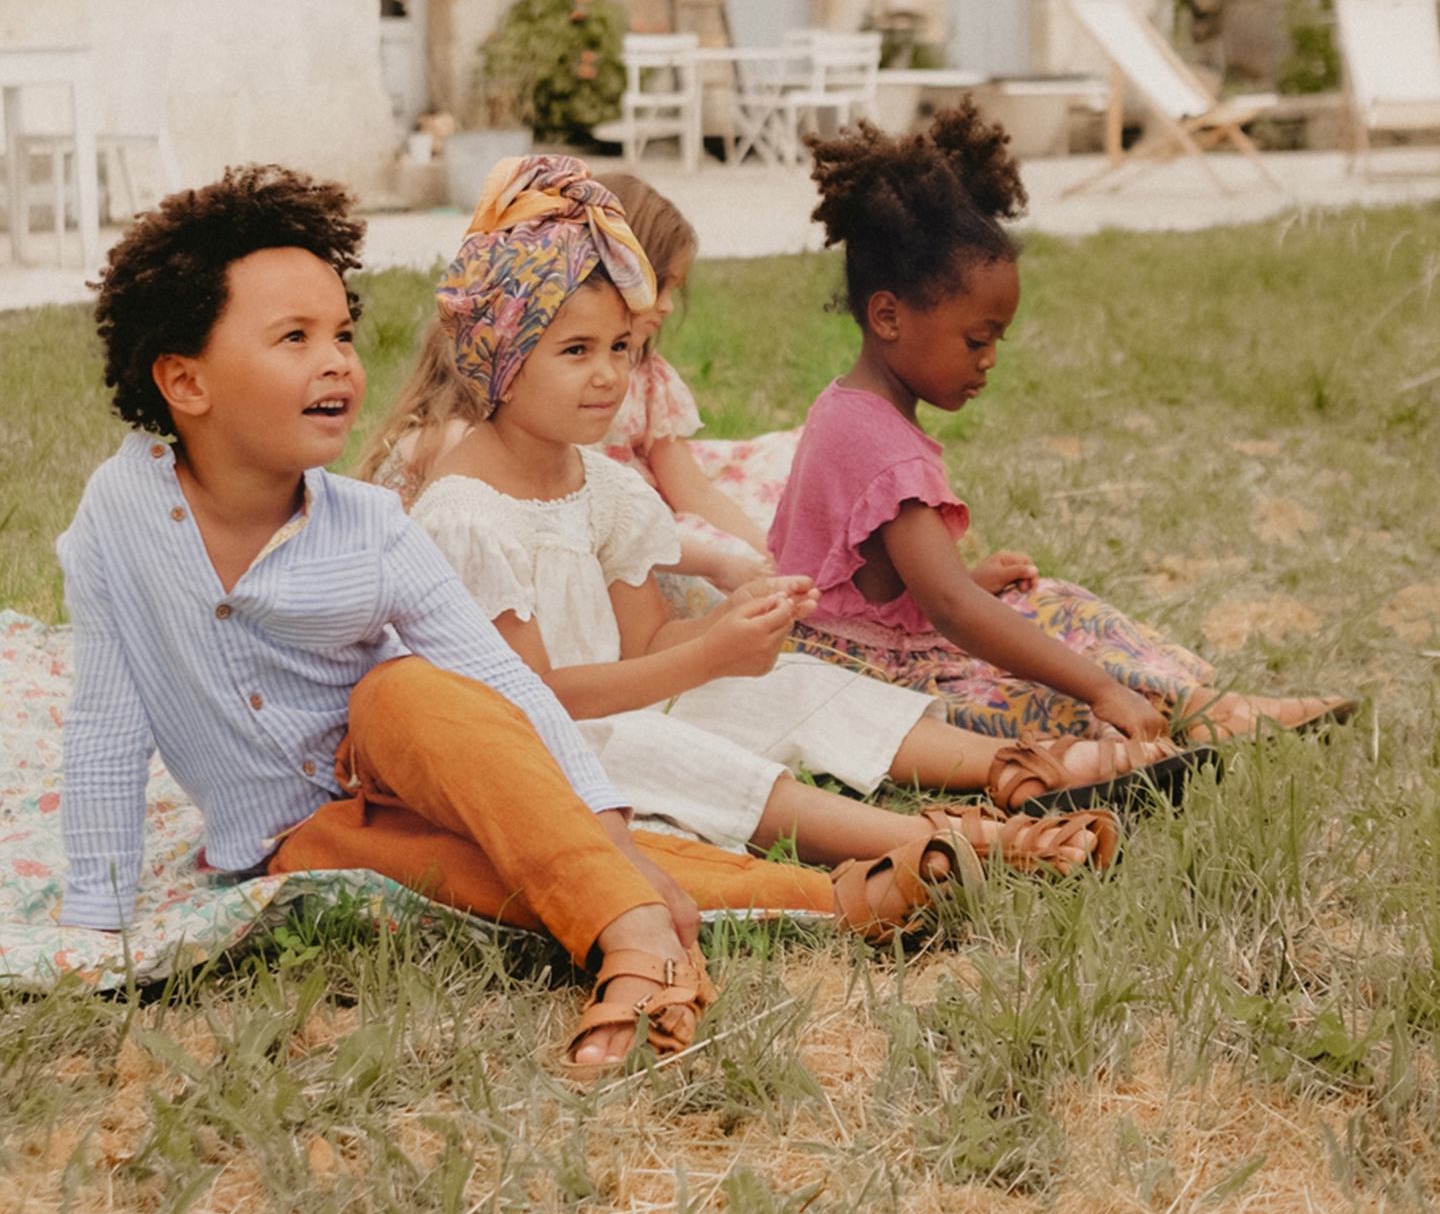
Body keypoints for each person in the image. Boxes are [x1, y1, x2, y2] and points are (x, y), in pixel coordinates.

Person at [57, 164, 790, 1077]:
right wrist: (98, 911)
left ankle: (635, 935)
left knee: (398, 692)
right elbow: (105, 724)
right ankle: (840, 898)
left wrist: (601, 831)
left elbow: (503, 682)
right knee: (513, 871)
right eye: (295, 338)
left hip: (430, 757)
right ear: (185, 382)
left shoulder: (371, 526)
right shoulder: (118, 517)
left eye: (343, 334)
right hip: (304, 834)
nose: (338, 362)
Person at [362, 154, 1184, 880]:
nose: (610, 376)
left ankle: (1031, 767)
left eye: (622, 348)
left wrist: (732, 630)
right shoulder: (468, 515)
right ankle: (950, 840)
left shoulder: (603, 491)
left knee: (793, 683)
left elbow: (648, 643)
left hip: (623, 699)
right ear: (497, 358)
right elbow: (537, 699)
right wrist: (704, 660)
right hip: (542, 747)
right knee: (670, 751)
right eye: (576, 351)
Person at [770, 103, 1355, 763]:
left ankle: (1201, 704)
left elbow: (893, 578)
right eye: (975, 339)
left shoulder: (849, 405)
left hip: (867, 642)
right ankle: (1182, 716)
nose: (990, 358)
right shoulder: (880, 446)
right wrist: (1100, 686)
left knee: (1059, 604)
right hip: (875, 680)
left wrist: (964, 579)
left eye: (996, 339)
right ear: (887, 315)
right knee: (1053, 695)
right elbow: (953, 609)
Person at [588, 170, 795, 593]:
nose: (666, 307)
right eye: (659, 287)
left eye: (673, 290)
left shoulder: (645, 374)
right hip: (624, 527)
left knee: (796, 459)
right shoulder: (550, 381)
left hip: (662, 503)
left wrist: (774, 557)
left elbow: (690, 490)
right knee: (703, 571)